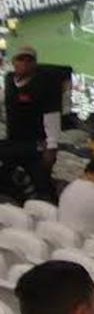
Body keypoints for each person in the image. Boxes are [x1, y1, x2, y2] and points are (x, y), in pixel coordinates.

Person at [3, 46, 70, 200]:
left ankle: (49, 205)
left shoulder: (44, 86)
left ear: (35, 64)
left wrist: (51, 147)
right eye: (21, 59)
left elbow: (52, 117)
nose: (25, 63)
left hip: (37, 143)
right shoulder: (9, 79)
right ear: (13, 62)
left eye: (29, 60)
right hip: (15, 139)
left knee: (41, 180)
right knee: (13, 175)